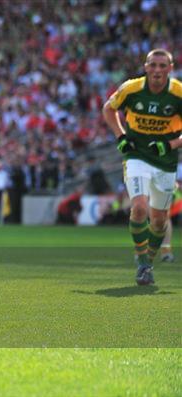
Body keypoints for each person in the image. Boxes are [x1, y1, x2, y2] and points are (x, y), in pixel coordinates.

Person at [102, 48, 181, 286]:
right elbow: (108, 109)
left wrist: (171, 144)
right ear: (145, 67)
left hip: (165, 162)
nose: (157, 70)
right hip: (136, 157)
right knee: (138, 207)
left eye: (162, 66)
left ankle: (149, 259)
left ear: (170, 68)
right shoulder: (131, 88)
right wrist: (120, 136)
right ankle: (143, 262)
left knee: (158, 221)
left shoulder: (178, 93)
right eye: (153, 65)